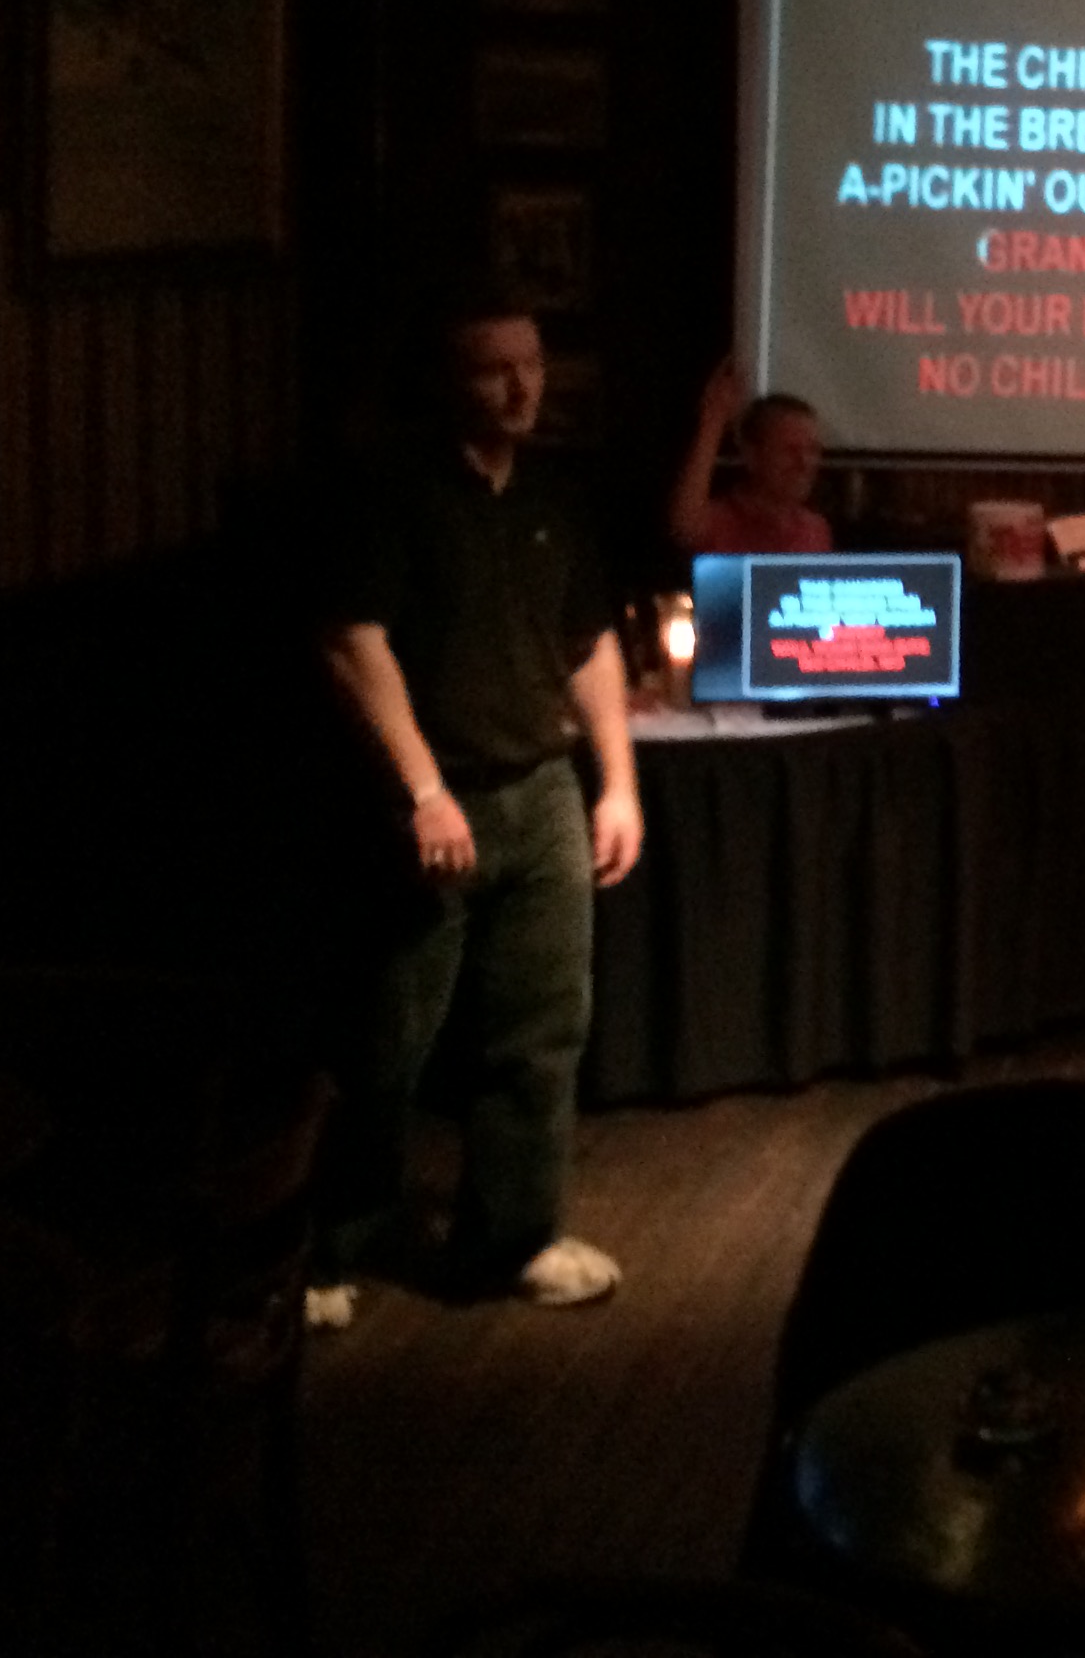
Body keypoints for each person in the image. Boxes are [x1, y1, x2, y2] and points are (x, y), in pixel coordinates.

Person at [310, 295, 644, 1324]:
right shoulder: (389, 490)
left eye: (531, 363)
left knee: (542, 1032)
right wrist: (423, 792)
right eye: (495, 367)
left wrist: (619, 783)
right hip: (432, 796)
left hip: (541, 789)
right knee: (388, 1039)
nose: (521, 385)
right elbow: (353, 644)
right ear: (447, 380)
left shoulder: (552, 492)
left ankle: (515, 1237)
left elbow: (588, 643)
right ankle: (326, 1249)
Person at [668, 359, 831, 555]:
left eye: (812, 450)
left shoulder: (815, 530)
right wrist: (714, 420)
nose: (804, 463)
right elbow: (685, 527)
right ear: (752, 455)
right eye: (790, 450)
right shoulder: (721, 522)